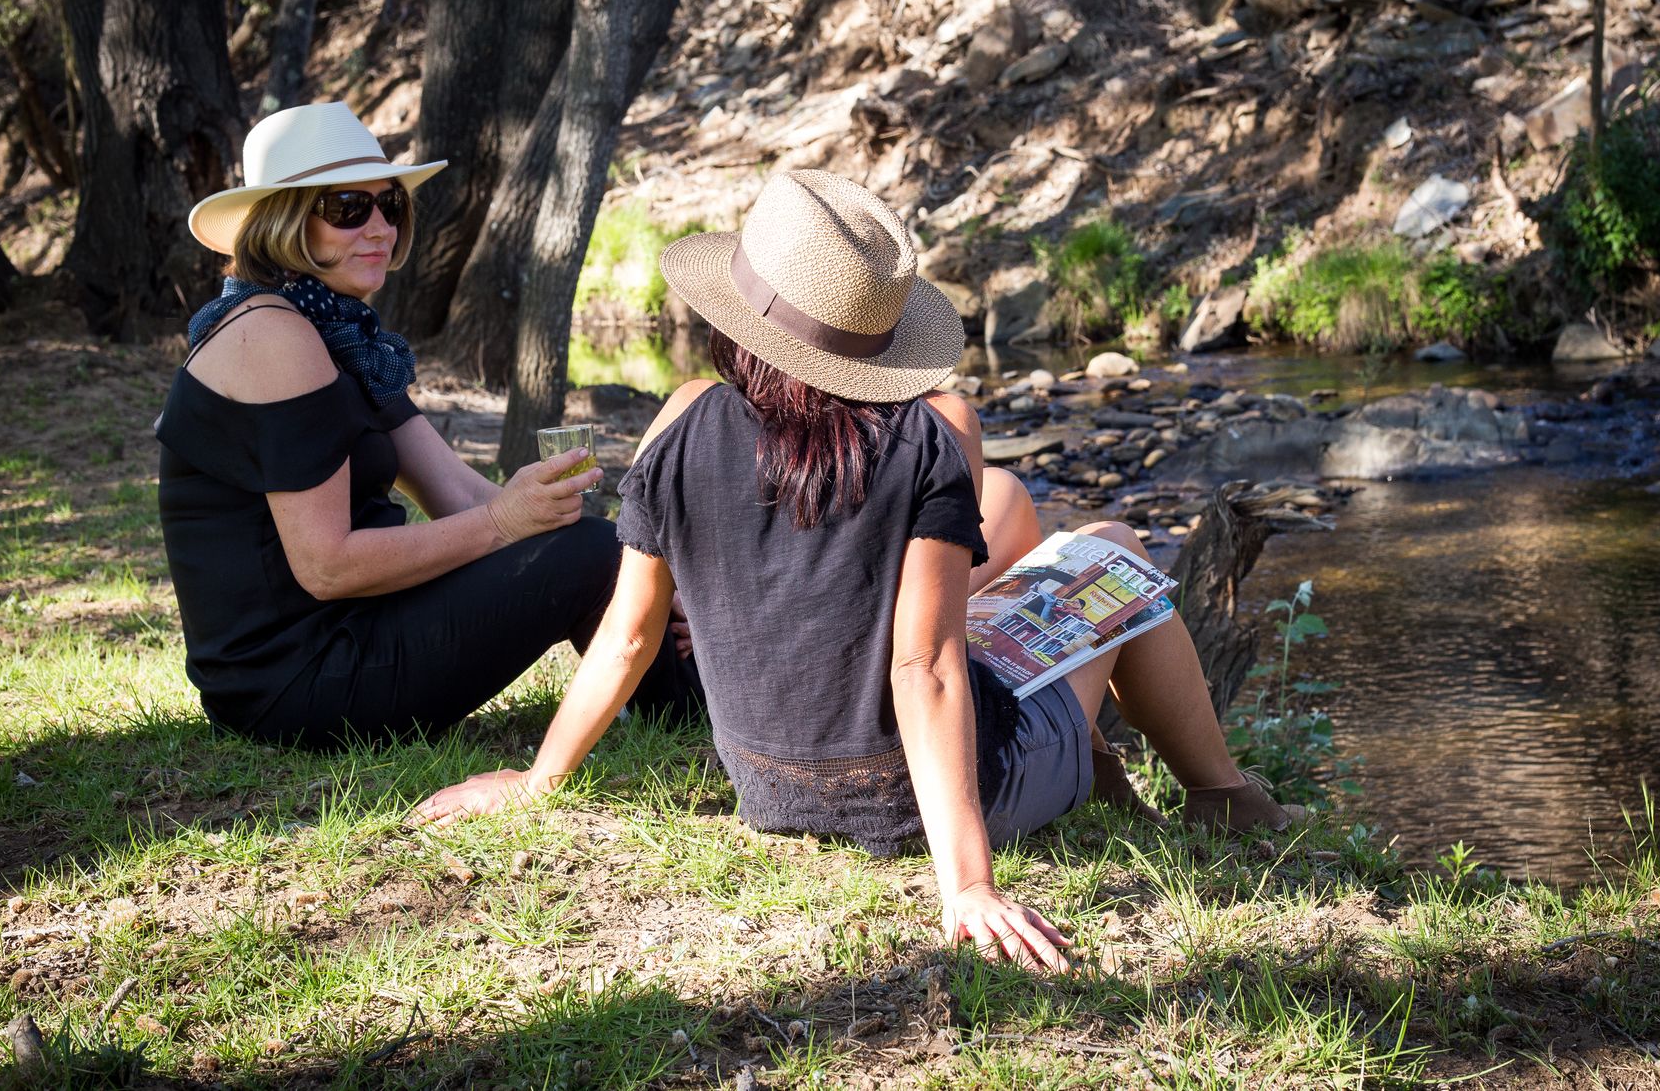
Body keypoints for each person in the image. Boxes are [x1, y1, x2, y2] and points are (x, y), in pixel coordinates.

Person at [413, 171, 1299, 971]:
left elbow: (630, 633)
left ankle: (1111, 766)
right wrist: (968, 885)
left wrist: (539, 779)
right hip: (941, 800)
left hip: (767, 788)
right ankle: (1220, 796)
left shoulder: (681, 428)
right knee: (1116, 549)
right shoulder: (928, 438)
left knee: (1019, 573)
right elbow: (923, 666)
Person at [155, 102, 699, 749]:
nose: (380, 226)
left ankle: (687, 684)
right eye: (349, 207)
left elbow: (458, 493)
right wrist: (520, 528)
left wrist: (643, 577)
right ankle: (695, 714)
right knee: (588, 552)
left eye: (392, 205)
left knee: (598, 550)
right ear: (286, 221)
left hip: (337, 643)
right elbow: (326, 565)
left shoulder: (340, 337)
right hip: (294, 685)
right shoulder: (273, 336)